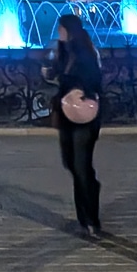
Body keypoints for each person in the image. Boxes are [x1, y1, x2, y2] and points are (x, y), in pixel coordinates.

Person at [43, 12, 103, 237]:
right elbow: (57, 76)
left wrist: (64, 80)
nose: (58, 33)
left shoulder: (86, 52)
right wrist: (49, 73)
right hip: (66, 115)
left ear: (70, 31)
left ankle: (91, 218)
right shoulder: (62, 53)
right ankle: (83, 214)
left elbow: (93, 80)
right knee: (70, 163)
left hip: (85, 117)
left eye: (61, 29)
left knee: (81, 165)